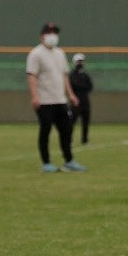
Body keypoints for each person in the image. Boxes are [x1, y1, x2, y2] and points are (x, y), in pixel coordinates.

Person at [26, 22, 86, 173]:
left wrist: (70, 95)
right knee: (45, 130)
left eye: (55, 33)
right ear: (42, 36)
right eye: (49, 33)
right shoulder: (36, 54)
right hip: (44, 101)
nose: (52, 36)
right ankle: (46, 163)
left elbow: (64, 76)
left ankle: (69, 161)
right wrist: (34, 96)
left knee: (66, 130)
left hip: (60, 100)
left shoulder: (60, 53)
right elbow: (32, 76)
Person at [69, 52, 94, 144]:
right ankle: (69, 140)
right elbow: (75, 85)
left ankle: (85, 139)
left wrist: (82, 87)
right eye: (79, 61)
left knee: (86, 121)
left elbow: (90, 86)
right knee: (72, 122)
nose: (80, 63)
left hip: (85, 101)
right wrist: (82, 87)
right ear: (74, 62)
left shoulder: (85, 75)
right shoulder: (72, 75)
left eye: (82, 61)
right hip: (75, 102)